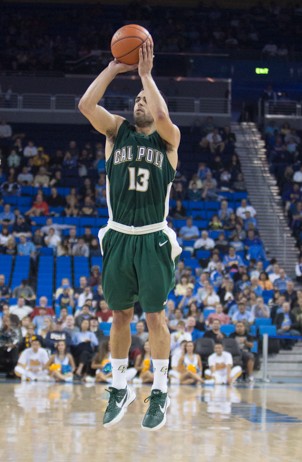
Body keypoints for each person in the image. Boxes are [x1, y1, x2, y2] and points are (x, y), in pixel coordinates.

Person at [79, 38, 181, 430]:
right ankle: (119, 385)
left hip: (153, 236)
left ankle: (160, 391)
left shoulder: (168, 139)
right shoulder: (116, 132)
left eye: (146, 99)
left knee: (155, 317)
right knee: (120, 316)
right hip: (120, 235)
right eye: (137, 98)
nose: (140, 101)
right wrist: (113, 68)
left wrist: (146, 77)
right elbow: (86, 106)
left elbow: (163, 115)